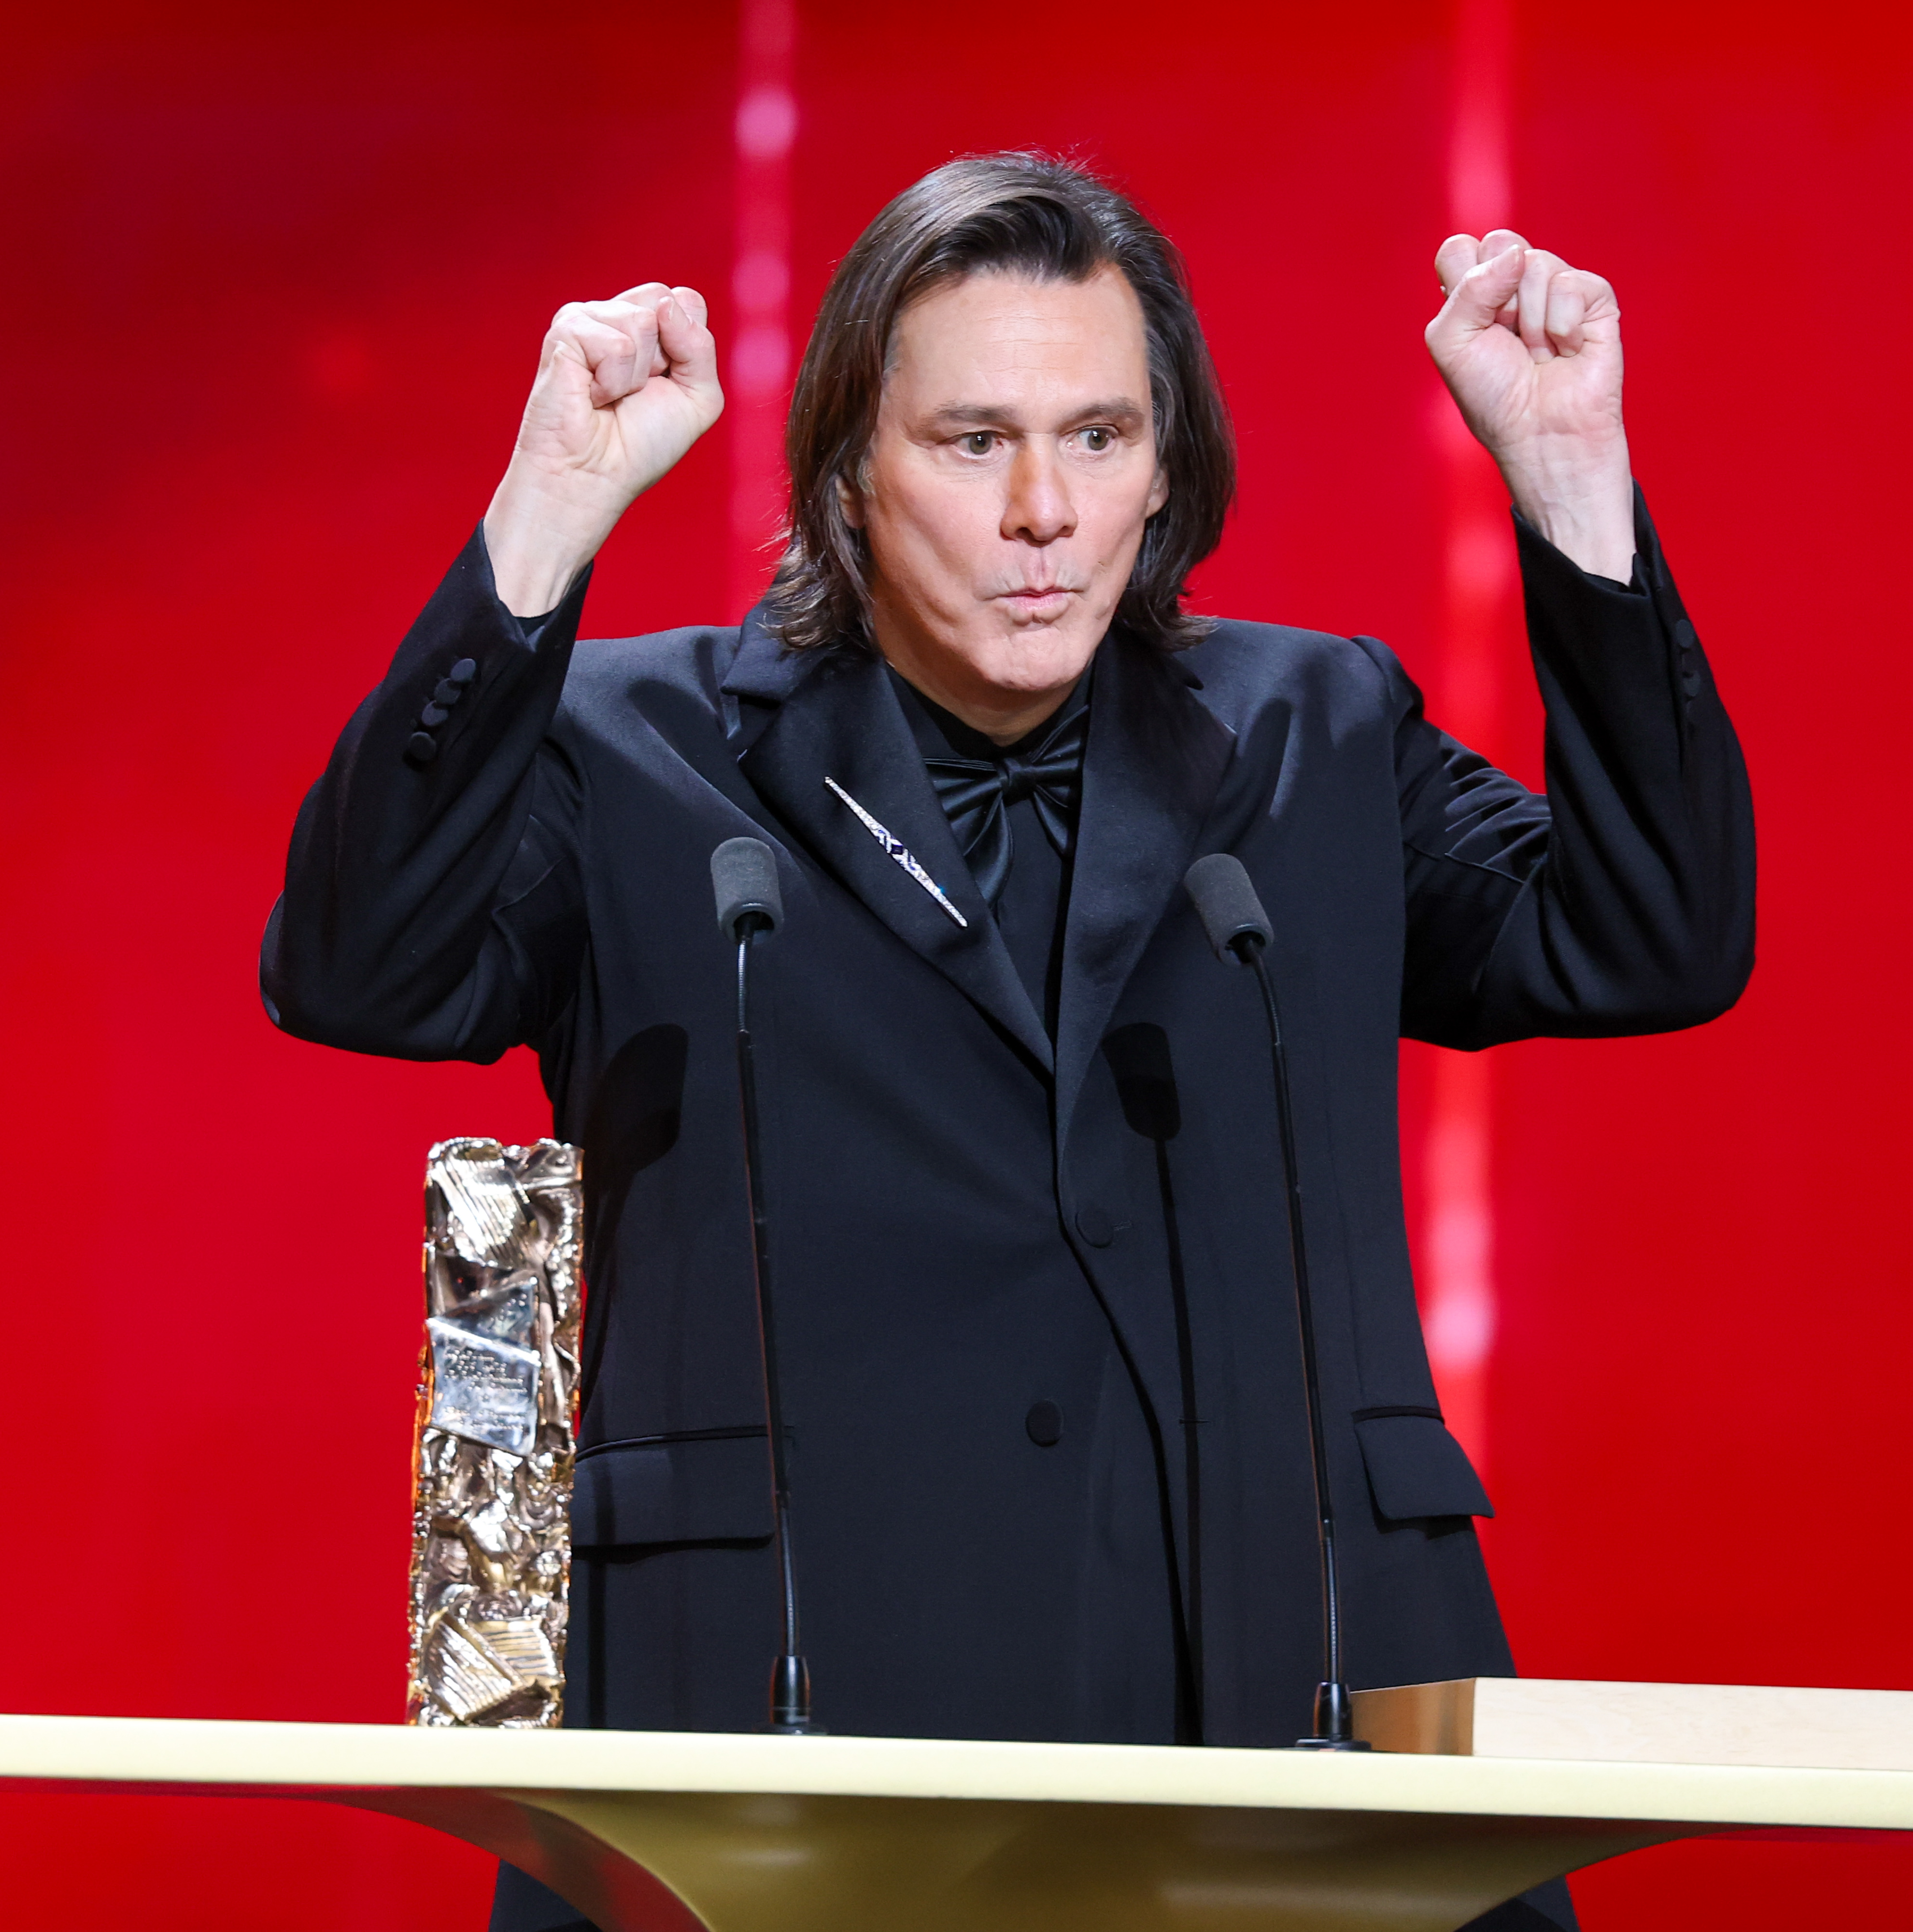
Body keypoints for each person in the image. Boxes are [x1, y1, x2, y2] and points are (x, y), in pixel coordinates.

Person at [263, 152, 1752, 1932]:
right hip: (775, 1728)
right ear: (847, 473)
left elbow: (1649, 941)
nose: (1045, 510)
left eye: (1099, 437)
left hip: (1284, 1709)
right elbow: (360, 971)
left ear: (1165, 467)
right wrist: (542, 526)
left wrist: (1574, 481)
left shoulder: (1316, 732)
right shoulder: (634, 751)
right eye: (974, 443)